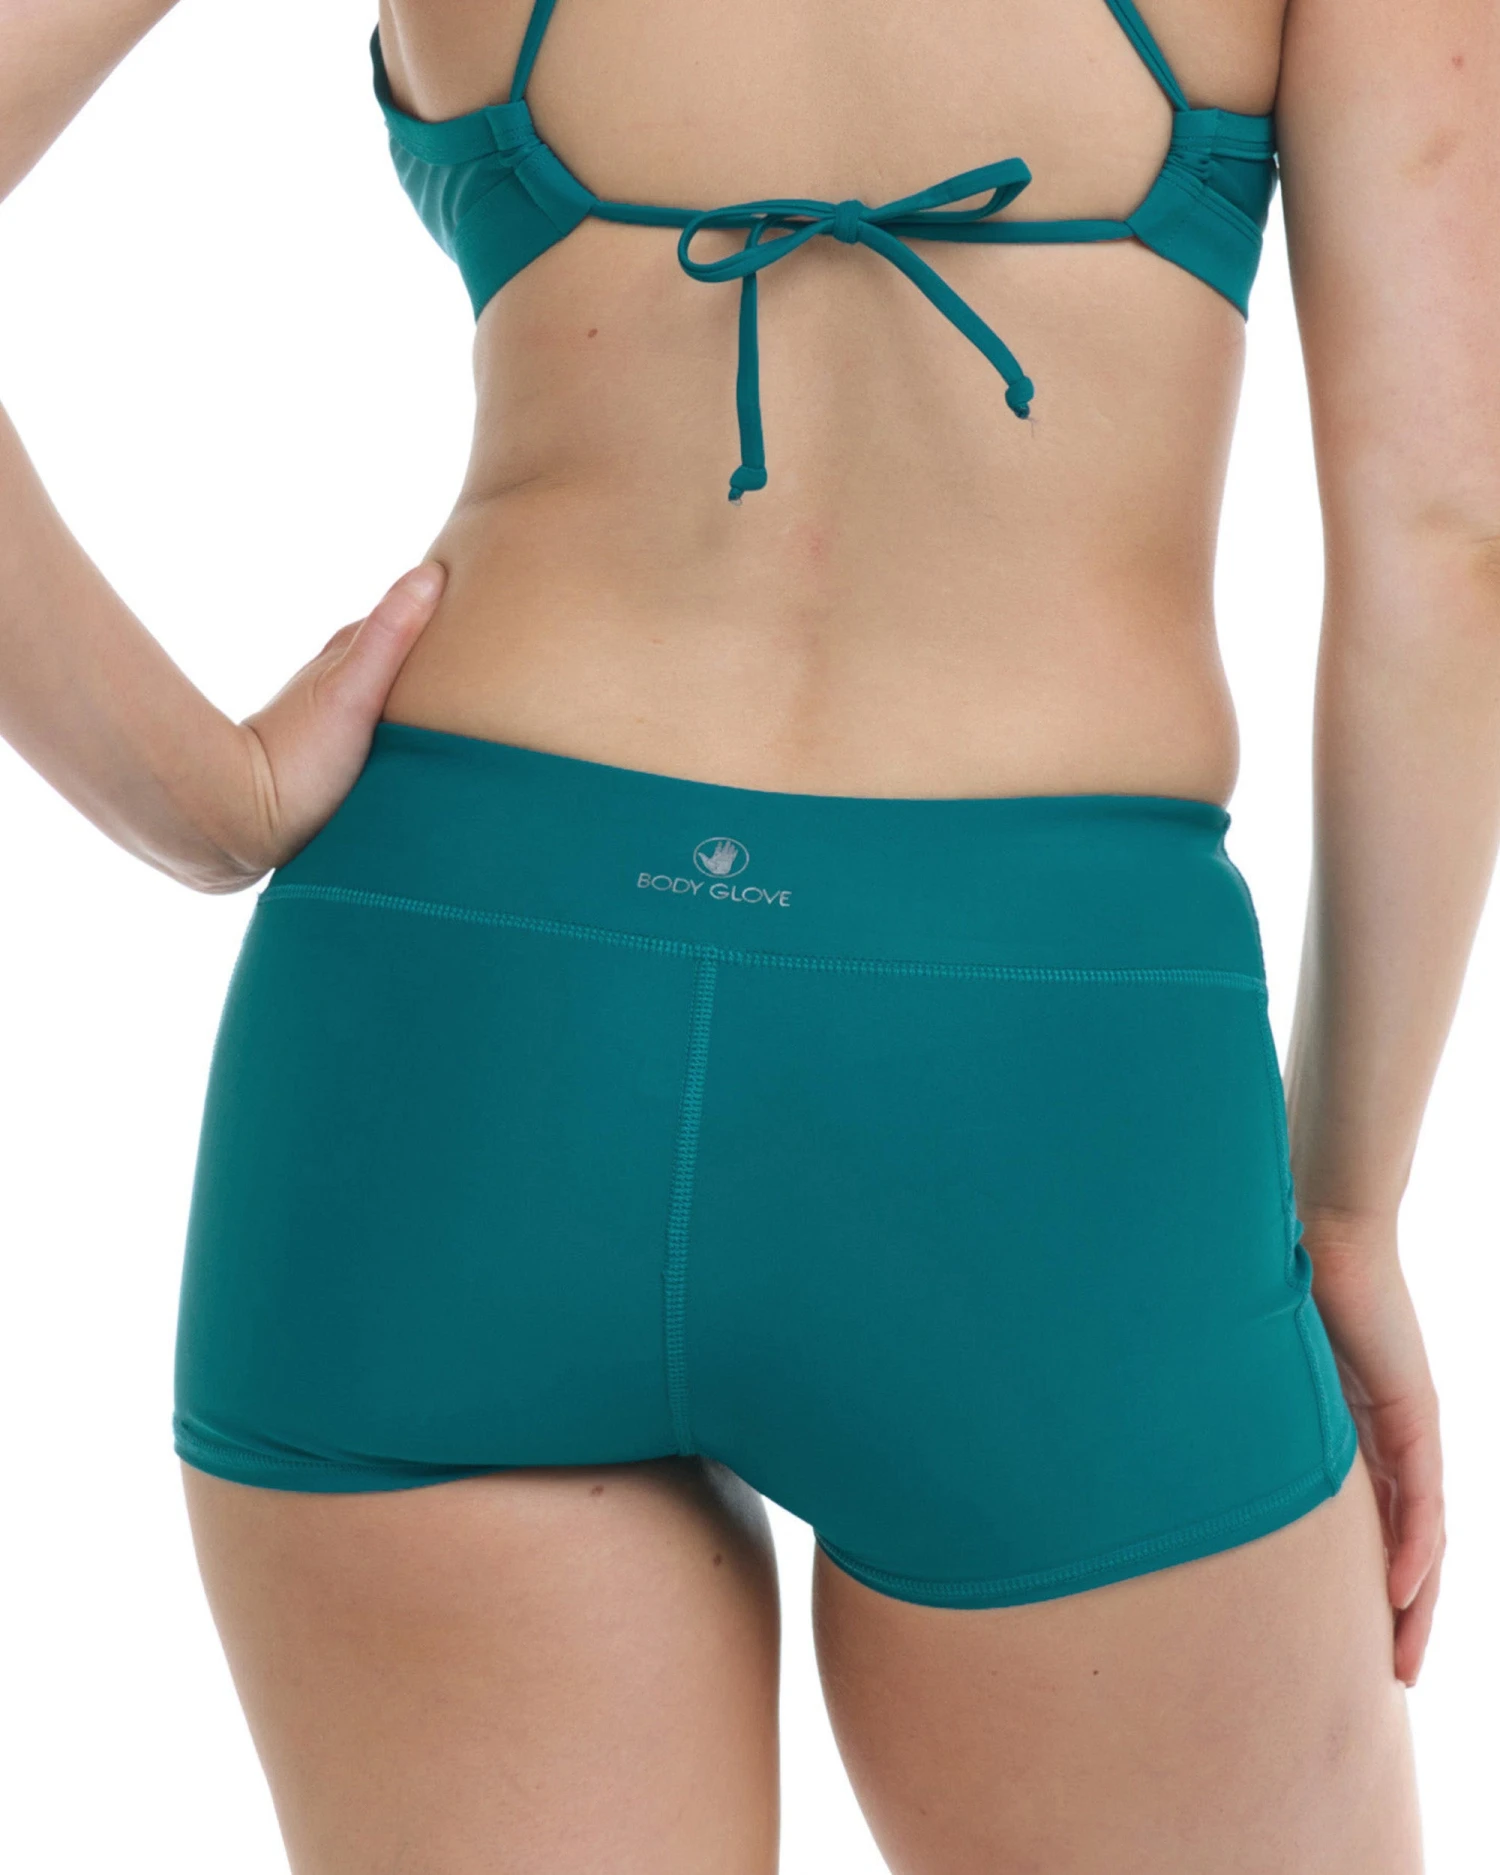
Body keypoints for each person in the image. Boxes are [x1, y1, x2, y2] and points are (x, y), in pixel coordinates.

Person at [2, 2, 1492, 1869]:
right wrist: (1347, 1205)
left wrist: (204, 800)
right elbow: (1449, 537)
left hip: (463, 1020)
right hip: (1034, 1070)